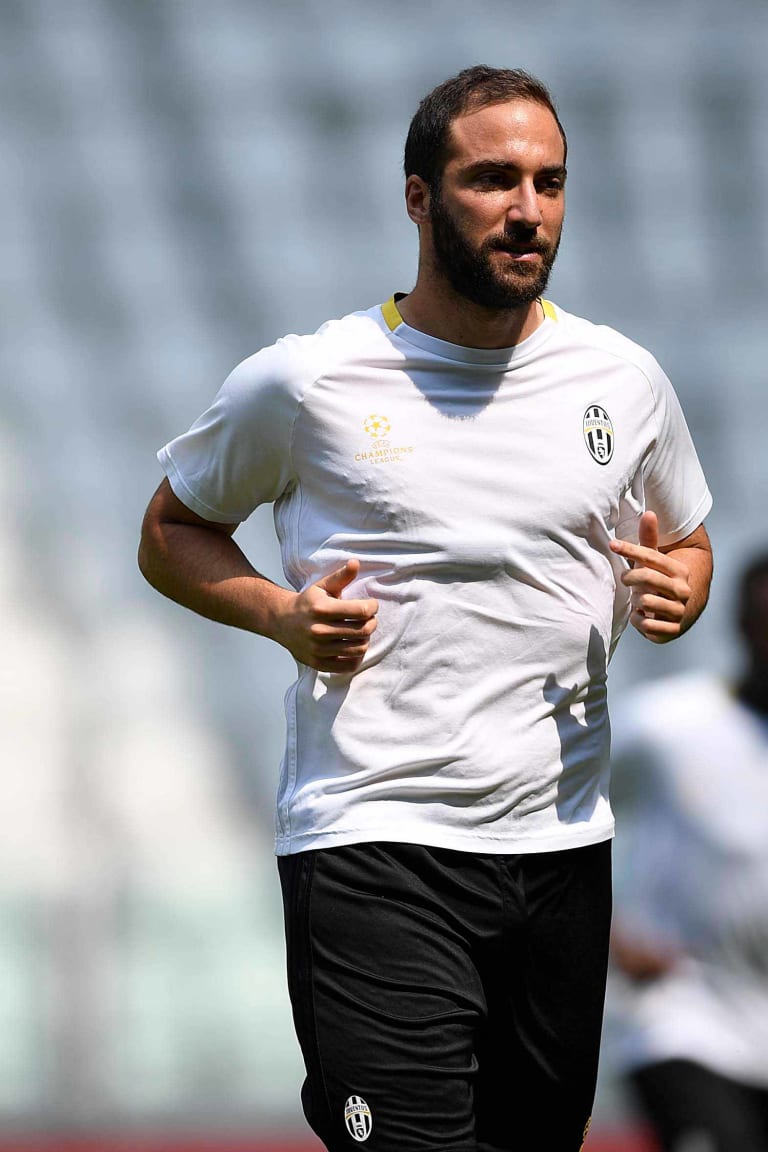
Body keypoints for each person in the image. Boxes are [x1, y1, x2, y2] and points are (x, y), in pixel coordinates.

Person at [138, 65, 713, 1152]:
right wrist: (277, 613)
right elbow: (169, 531)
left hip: (561, 852)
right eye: (492, 179)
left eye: (548, 182)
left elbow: (685, 535)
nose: (527, 210)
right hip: (375, 844)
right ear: (418, 196)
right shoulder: (307, 381)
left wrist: (688, 581)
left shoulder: (622, 379)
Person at [609, 554, 768, 1152]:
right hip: (686, 1021)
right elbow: (549, 810)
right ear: (744, 626)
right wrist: (606, 931)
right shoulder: (667, 726)